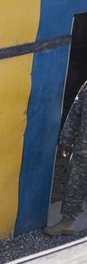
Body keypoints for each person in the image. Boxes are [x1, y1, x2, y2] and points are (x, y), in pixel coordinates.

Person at [45, 80, 87, 236]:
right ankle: (67, 223)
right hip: (83, 151)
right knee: (74, 186)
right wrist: (66, 141)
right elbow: (75, 113)